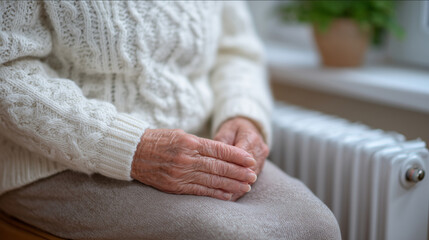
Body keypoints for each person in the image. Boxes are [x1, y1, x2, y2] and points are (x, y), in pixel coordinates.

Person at [0, 1, 341, 239]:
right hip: (56, 160)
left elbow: (236, 50)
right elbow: (7, 72)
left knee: (315, 228)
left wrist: (243, 113)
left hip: (200, 143)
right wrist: (134, 147)